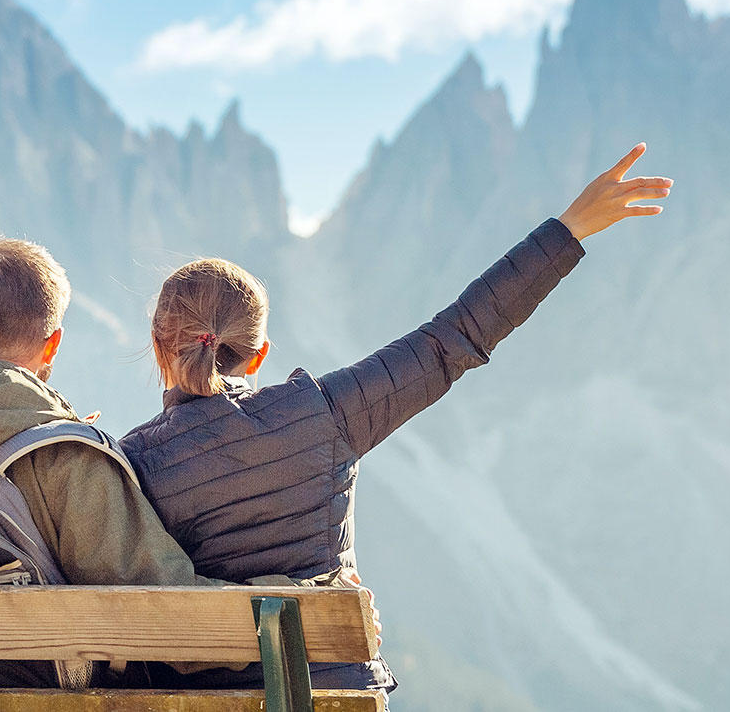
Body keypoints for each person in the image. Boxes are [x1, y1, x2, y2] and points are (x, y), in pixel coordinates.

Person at [121, 144, 673, 691]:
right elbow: (453, 339)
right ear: (260, 353)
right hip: (334, 695)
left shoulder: (130, 465)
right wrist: (570, 228)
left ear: (157, 344)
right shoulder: (323, 414)